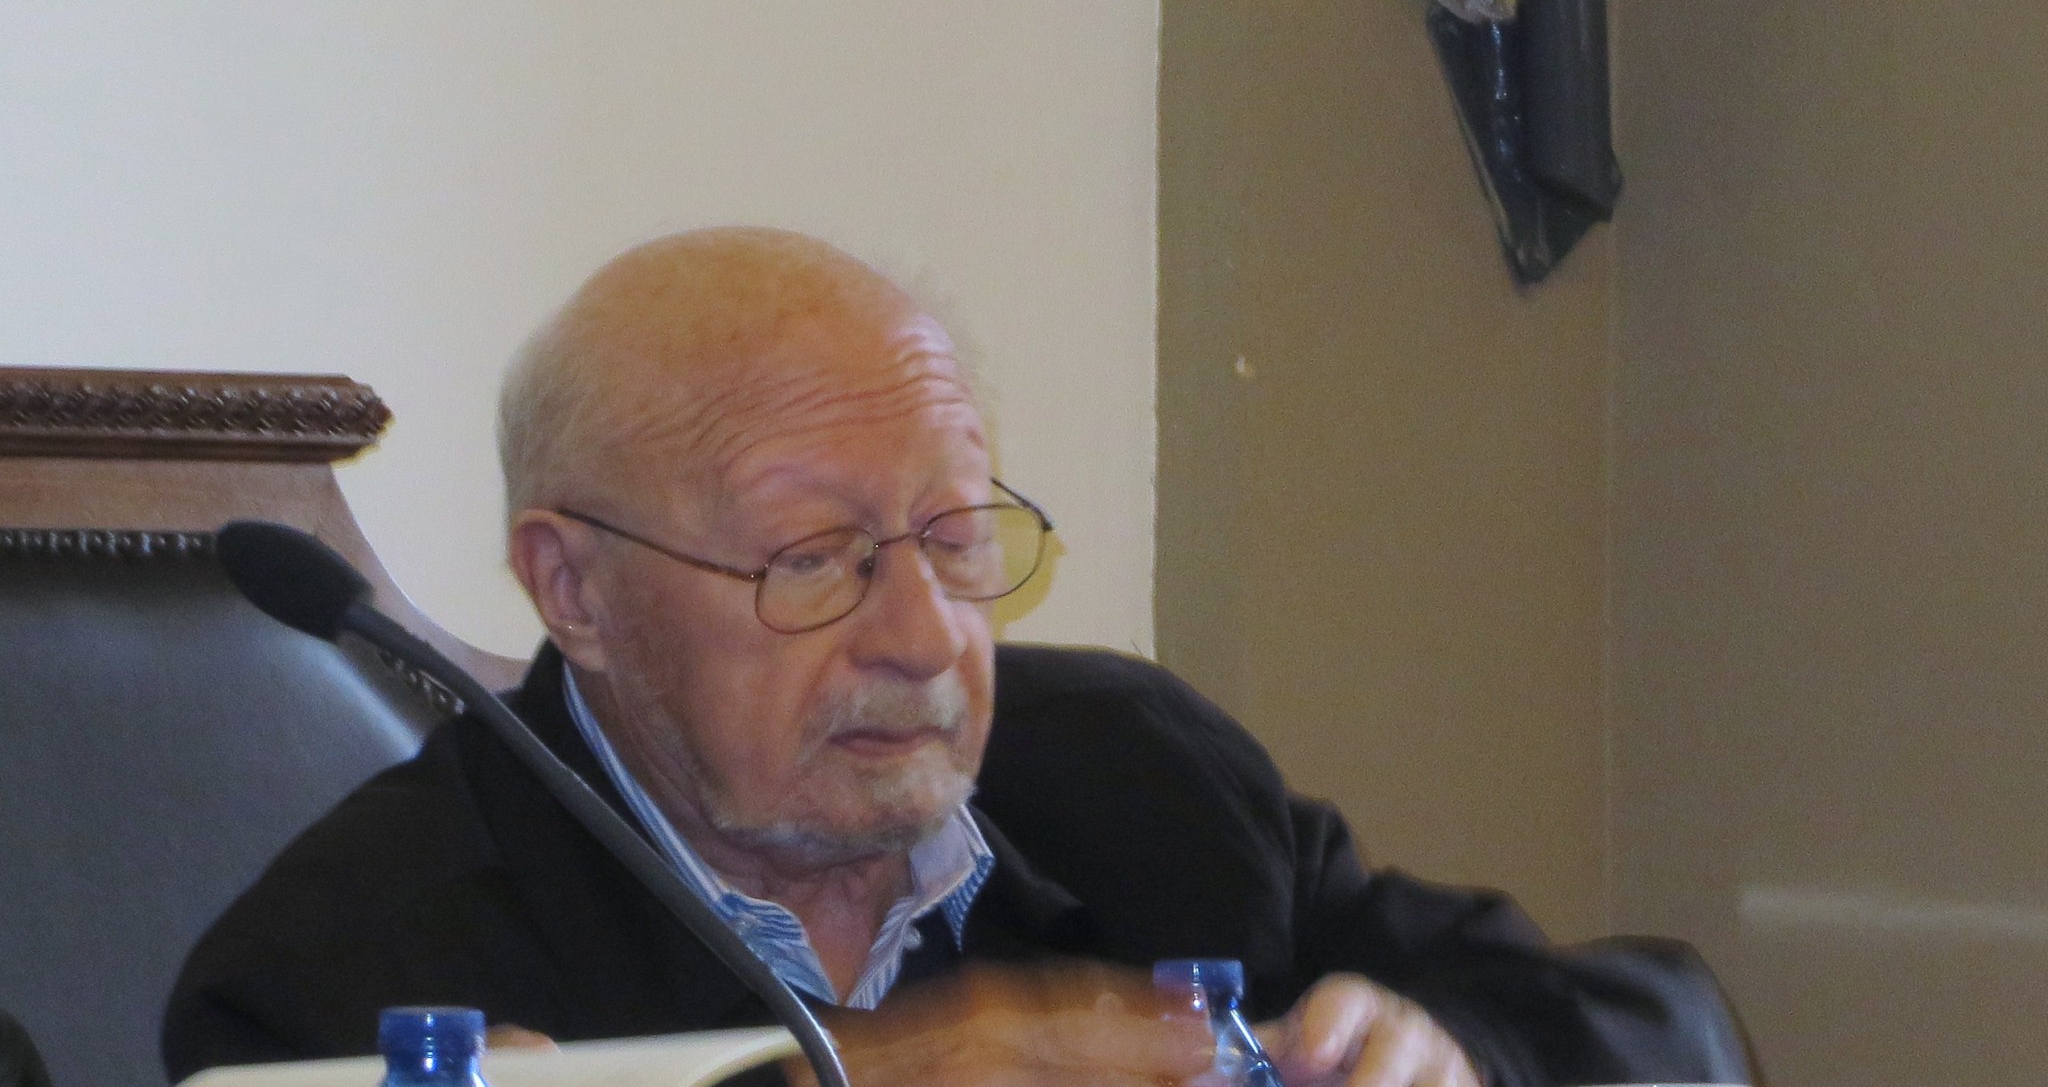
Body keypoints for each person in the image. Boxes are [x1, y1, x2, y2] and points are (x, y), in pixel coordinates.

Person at [163, 229, 1743, 1087]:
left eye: (956, 537)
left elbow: (1667, 1036)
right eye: (815, 563)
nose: (922, 637)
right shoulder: (347, 975)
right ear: (573, 589)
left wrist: (1457, 1055)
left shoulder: (1137, 778)